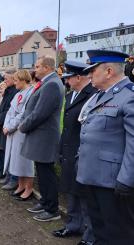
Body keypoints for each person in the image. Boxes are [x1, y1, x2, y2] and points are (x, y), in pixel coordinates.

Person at [76, 50, 134, 244]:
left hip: (114, 183)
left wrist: (126, 181)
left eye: (93, 70)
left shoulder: (129, 96)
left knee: (118, 235)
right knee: (100, 232)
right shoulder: (101, 96)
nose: (89, 75)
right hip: (93, 177)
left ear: (108, 71)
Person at [52, 61, 96, 245]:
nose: (66, 81)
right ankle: (72, 225)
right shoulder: (70, 96)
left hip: (83, 153)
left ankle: (89, 234)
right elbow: (66, 127)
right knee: (71, 191)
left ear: (78, 77)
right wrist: (60, 150)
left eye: (68, 78)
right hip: (69, 151)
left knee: (85, 196)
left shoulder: (92, 95)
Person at [19, 56, 65, 222]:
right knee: (42, 171)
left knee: (47, 173)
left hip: (44, 136)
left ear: (46, 67)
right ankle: (45, 201)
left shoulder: (52, 84)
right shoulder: (48, 82)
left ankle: (52, 209)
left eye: (37, 66)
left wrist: (23, 126)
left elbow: (40, 113)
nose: (35, 69)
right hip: (40, 136)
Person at [2, 70, 34, 201]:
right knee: (16, 159)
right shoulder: (18, 94)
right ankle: (20, 185)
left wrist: (10, 127)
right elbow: (10, 111)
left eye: (16, 80)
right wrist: (6, 125)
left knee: (25, 161)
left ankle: (29, 188)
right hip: (12, 131)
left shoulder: (31, 93)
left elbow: (24, 114)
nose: (14, 83)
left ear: (23, 80)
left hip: (21, 131)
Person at [0, 70, 19, 190]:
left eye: (6, 79)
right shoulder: (8, 91)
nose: (4, 81)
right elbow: (1, 107)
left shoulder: (15, 91)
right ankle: (8, 176)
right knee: (6, 151)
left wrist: (0, 119)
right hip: (3, 124)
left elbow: (10, 109)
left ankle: (13, 178)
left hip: (8, 125)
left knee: (11, 154)